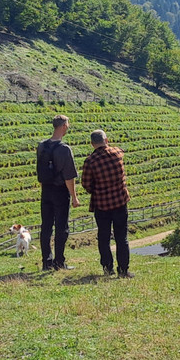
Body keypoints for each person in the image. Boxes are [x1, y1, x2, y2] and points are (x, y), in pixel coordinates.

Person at [80, 129, 132, 278]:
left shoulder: (90, 161)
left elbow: (86, 184)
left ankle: (107, 268)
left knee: (103, 237)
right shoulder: (117, 153)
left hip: (102, 205)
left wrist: (97, 190)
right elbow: (120, 151)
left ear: (92, 144)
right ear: (106, 140)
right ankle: (123, 270)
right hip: (120, 202)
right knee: (122, 237)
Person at [36, 114, 80, 270]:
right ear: (63, 126)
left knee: (46, 227)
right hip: (60, 191)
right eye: (67, 124)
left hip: (46, 190)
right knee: (62, 227)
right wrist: (74, 197)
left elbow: (40, 171)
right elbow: (69, 176)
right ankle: (59, 262)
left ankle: (46, 262)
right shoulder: (65, 149)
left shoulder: (41, 146)